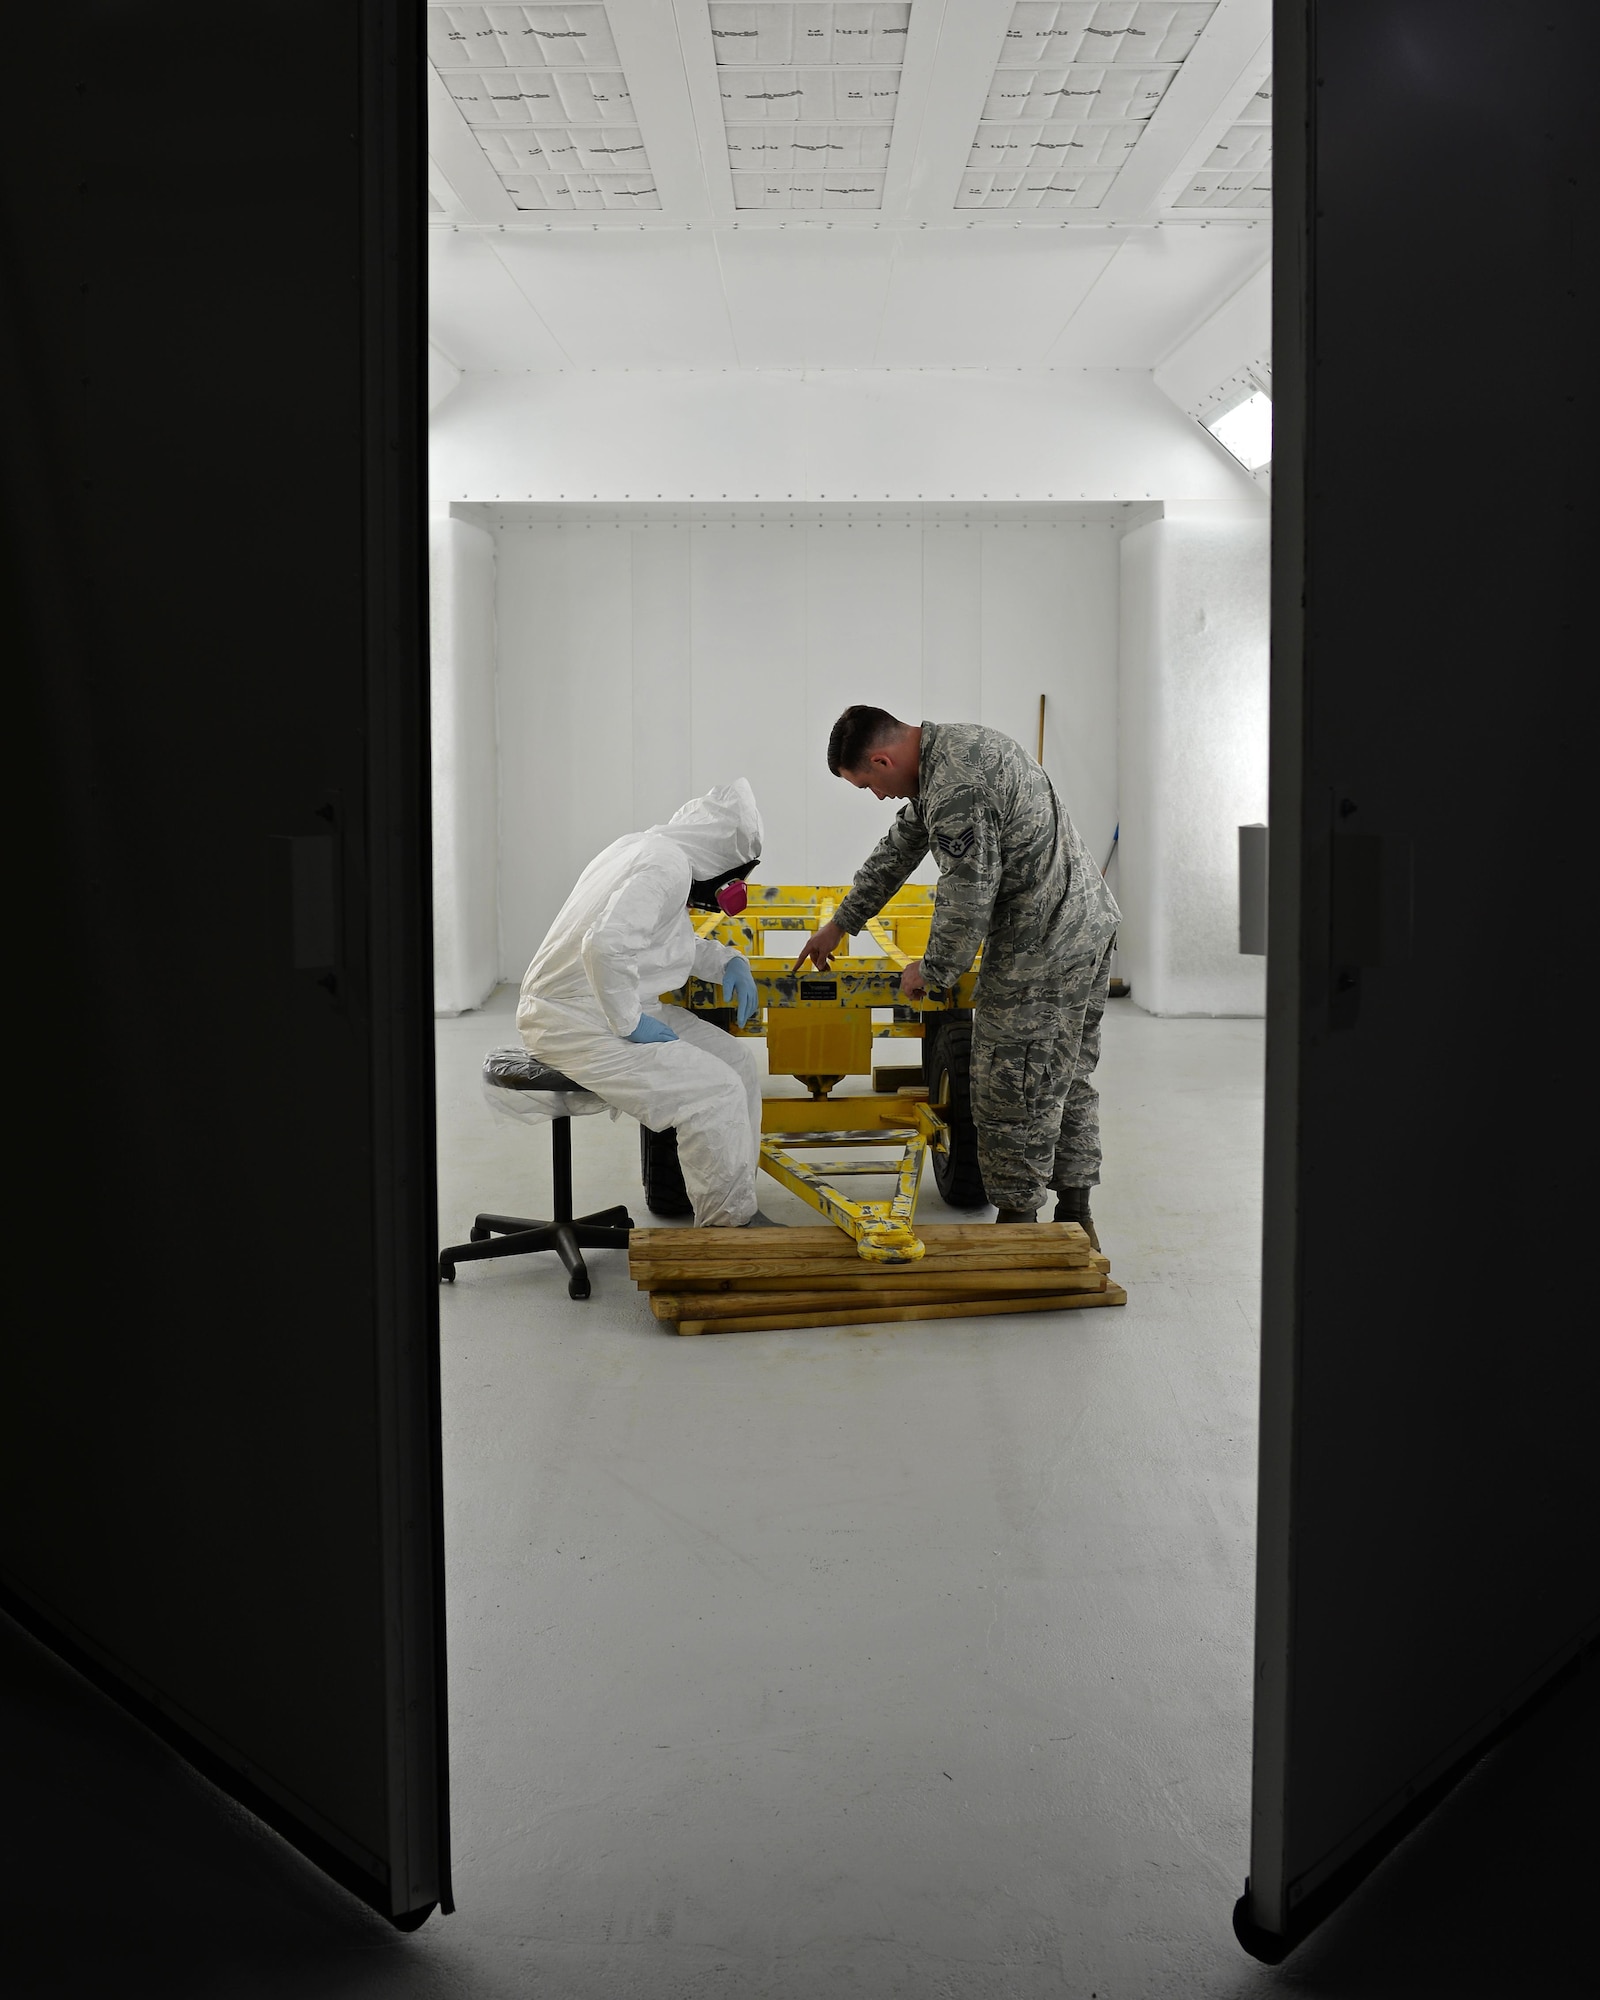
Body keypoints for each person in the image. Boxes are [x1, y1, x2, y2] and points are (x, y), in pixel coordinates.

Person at [795, 709, 1119, 1243]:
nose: (878, 797)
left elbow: (967, 896)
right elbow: (899, 849)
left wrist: (936, 969)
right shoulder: (951, 751)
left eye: (871, 784)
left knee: (1007, 1084)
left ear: (883, 759)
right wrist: (841, 923)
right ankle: (1075, 1218)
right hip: (1085, 923)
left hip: (1042, 944)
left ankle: (1019, 1233)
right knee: (1064, 1075)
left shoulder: (956, 790)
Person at [517, 779, 775, 1228]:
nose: (732, 888)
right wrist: (630, 1022)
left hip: (602, 1004)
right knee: (714, 1091)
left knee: (737, 1064)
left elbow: (660, 941)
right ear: (719, 859)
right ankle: (727, 1232)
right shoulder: (665, 867)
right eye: (737, 875)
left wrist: (728, 962)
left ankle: (736, 1203)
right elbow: (605, 945)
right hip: (575, 1019)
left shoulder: (647, 850)